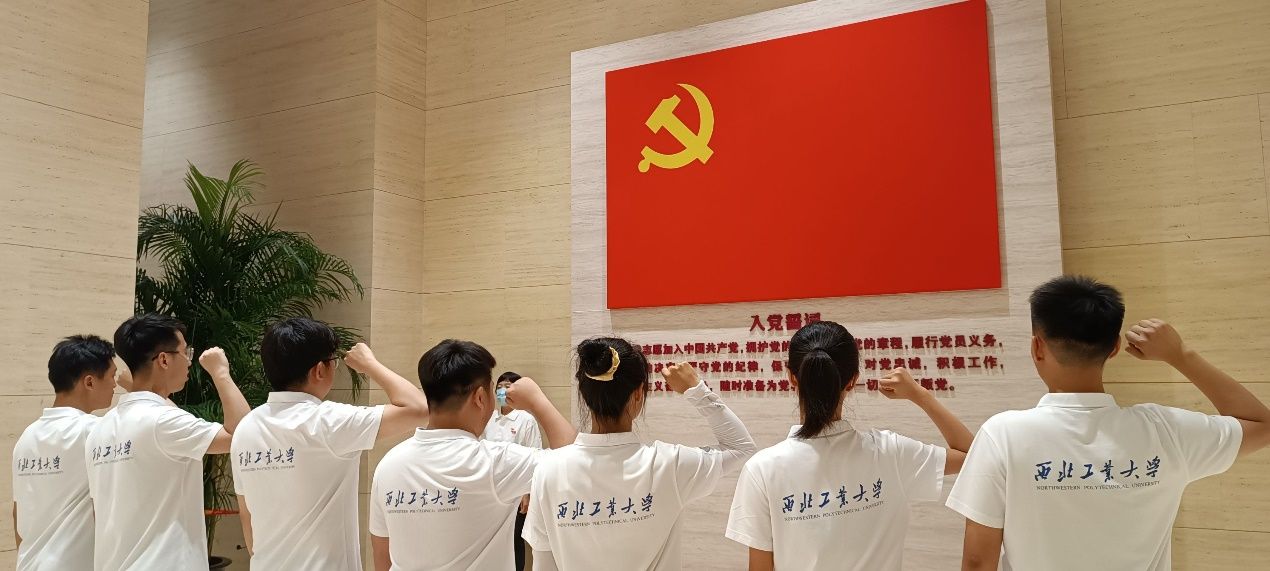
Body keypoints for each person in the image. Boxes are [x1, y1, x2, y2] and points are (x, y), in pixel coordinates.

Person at [948, 275, 1270, 570]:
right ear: (1115, 348)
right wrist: (1179, 354)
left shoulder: (1002, 435)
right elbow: (1262, 425)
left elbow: (977, 562)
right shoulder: (1166, 431)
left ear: (1036, 347)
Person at [725, 320, 973, 570]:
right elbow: (973, 456)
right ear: (853, 380)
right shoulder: (891, 452)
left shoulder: (762, 470)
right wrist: (920, 395)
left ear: (792, 378)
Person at [523, 337, 757, 570]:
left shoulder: (547, 471)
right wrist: (697, 391)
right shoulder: (669, 464)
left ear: (584, 394)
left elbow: (544, 564)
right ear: (637, 394)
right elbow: (740, 447)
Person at [230, 317, 430, 570]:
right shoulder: (328, 421)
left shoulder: (245, 428)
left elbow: (247, 518)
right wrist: (369, 364)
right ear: (319, 370)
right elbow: (420, 408)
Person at [369, 340, 576, 570]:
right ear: (480, 397)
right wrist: (537, 400)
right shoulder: (495, 463)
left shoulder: (388, 464)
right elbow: (573, 461)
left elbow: (382, 556)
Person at [86, 314, 249, 570]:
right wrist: (220, 373)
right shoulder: (163, 422)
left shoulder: (100, 429)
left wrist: (137, 387)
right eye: (185, 352)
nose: (189, 361)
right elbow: (243, 435)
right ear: (164, 359)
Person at [12, 336, 120, 570]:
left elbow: (17, 513)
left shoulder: (27, 437)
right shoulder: (94, 431)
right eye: (112, 376)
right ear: (89, 382)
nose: (115, 384)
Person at [482, 371, 544, 571]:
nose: (502, 391)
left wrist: (527, 493)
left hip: (517, 490)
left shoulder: (526, 419)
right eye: (499, 387)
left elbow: (535, 453)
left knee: (515, 538)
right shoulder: (487, 418)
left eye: (507, 386)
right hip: (490, 489)